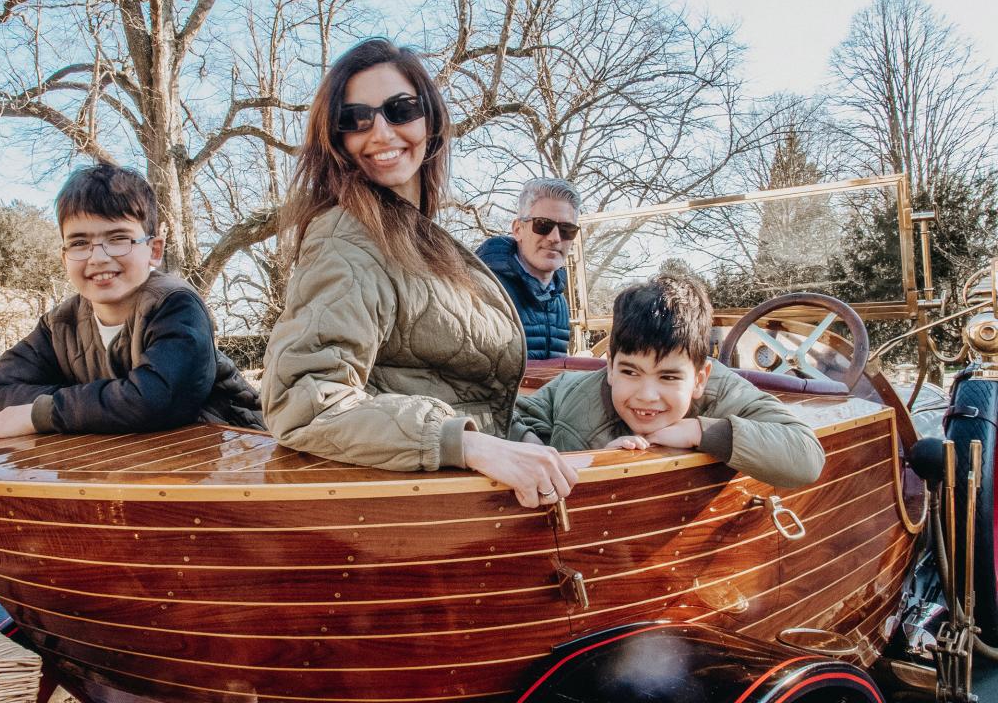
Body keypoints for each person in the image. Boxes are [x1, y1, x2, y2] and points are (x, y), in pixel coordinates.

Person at [260, 38, 578, 509]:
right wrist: (465, 444)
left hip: (478, 489)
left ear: (429, 117)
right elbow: (303, 399)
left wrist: (521, 440)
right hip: (430, 506)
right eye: (356, 119)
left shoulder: (412, 233)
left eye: (400, 109)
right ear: (337, 139)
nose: (381, 132)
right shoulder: (347, 236)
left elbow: (464, 388)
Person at [0, 163, 263, 442]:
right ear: (64, 256)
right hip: (129, 467)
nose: (98, 257)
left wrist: (43, 412)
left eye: (119, 238)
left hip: (234, 456)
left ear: (154, 250)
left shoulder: (176, 305)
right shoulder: (59, 326)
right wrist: (98, 404)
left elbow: (158, 400)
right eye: (80, 243)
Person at [512, 274, 825, 488]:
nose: (647, 395)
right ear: (609, 368)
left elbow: (806, 456)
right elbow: (507, 420)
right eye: (630, 372)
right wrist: (567, 458)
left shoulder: (723, 392)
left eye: (669, 377)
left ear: (700, 378)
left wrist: (699, 431)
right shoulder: (570, 391)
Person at [476, 178, 580, 359]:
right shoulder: (484, 290)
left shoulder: (559, 301)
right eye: (543, 225)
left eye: (566, 229)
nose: (555, 237)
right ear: (518, 229)